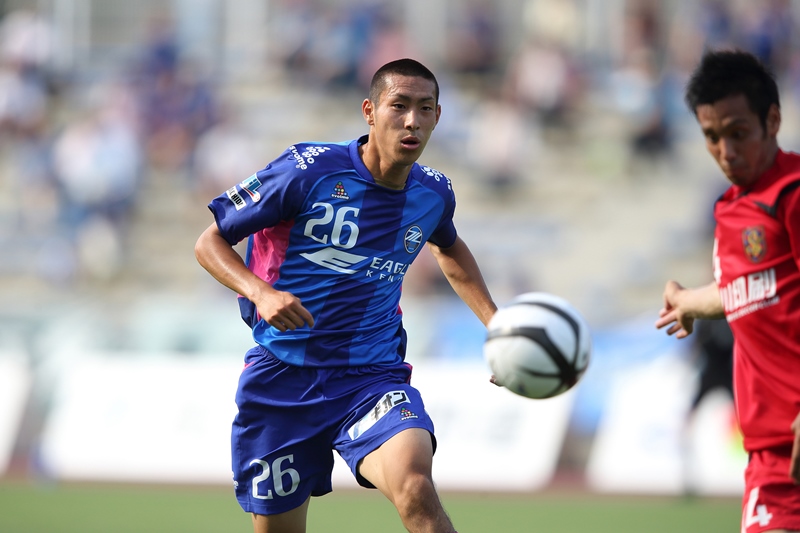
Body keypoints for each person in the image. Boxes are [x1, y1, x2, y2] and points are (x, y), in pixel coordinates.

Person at [195, 58, 497, 533]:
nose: (412, 121)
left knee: (415, 487)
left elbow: (449, 247)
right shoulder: (306, 171)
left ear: (438, 116)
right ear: (370, 111)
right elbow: (209, 242)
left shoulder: (434, 193)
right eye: (399, 106)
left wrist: (497, 326)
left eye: (424, 109)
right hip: (281, 380)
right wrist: (262, 293)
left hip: (371, 378)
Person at [655, 49, 800, 533]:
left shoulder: (793, 193)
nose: (726, 151)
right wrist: (690, 301)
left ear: (772, 121)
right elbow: (750, 289)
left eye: (738, 133)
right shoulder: (730, 210)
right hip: (771, 460)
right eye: (712, 137)